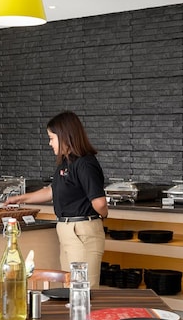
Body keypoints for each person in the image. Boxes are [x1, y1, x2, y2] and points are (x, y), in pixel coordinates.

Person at [7, 111, 108, 285]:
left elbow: (99, 203)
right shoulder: (66, 162)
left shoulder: (85, 163)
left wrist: (104, 214)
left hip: (81, 231)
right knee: (69, 287)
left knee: (82, 289)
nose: (50, 143)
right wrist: (19, 198)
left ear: (65, 137)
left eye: (51, 138)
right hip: (68, 230)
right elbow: (52, 191)